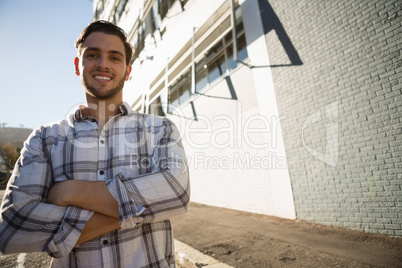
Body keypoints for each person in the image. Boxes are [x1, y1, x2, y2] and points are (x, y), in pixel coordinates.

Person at [0, 20, 190, 268]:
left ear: (128, 71)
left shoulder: (159, 129)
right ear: (78, 65)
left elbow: (176, 193)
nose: (103, 64)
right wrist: (146, 207)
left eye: (114, 57)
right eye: (93, 55)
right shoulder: (45, 139)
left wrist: (70, 192)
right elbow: (13, 228)